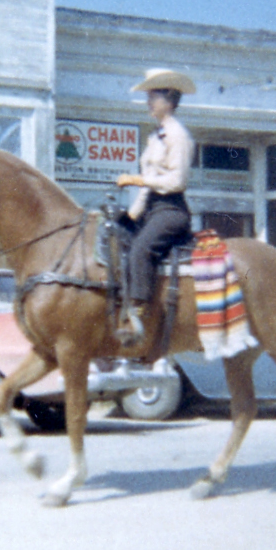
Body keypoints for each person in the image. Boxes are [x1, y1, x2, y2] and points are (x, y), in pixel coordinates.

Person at [113, 68, 196, 344]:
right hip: (150, 209)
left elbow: (177, 180)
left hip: (171, 211)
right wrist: (131, 215)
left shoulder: (178, 135)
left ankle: (139, 316)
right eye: (148, 96)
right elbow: (147, 189)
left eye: (153, 97)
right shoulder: (155, 136)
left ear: (169, 100)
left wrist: (136, 178)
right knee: (116, 242)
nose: (148, 102)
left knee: (140, 251)